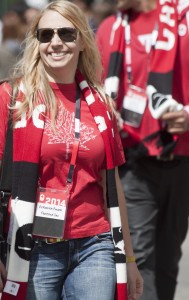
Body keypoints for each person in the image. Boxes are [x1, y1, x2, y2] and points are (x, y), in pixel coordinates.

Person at [0, 1, 143, 300]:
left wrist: (129, 259)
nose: (55, 42)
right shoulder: (12, 98)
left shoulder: (101, 103)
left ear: (81, 40)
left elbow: (112, 185)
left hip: (95, 244)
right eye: (45, 34)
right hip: (32, 246)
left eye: (66, 33)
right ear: (36, 42)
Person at [96, 0, 189, 299]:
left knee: (169, 257)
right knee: (139, 257)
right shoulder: (110, 28)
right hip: (133, 159)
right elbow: (94, 85)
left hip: (183, 153)